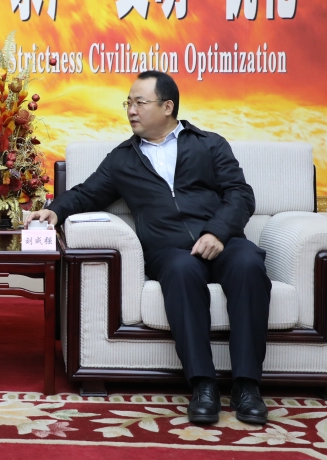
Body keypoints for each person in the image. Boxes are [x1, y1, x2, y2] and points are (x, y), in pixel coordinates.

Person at [24, 71, 271, 425]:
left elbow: (240, 194)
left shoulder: (209, 144)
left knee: (248, 264)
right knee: (182, 271)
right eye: (128, 103)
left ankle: (247, 386)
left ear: (167, 107)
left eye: (140, 102)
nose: (131, 110)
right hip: (169, 251)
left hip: (223, 240)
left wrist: (217, 232)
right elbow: (86, 193)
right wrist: (54, 211)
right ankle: (203, 385)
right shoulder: (123, 158)